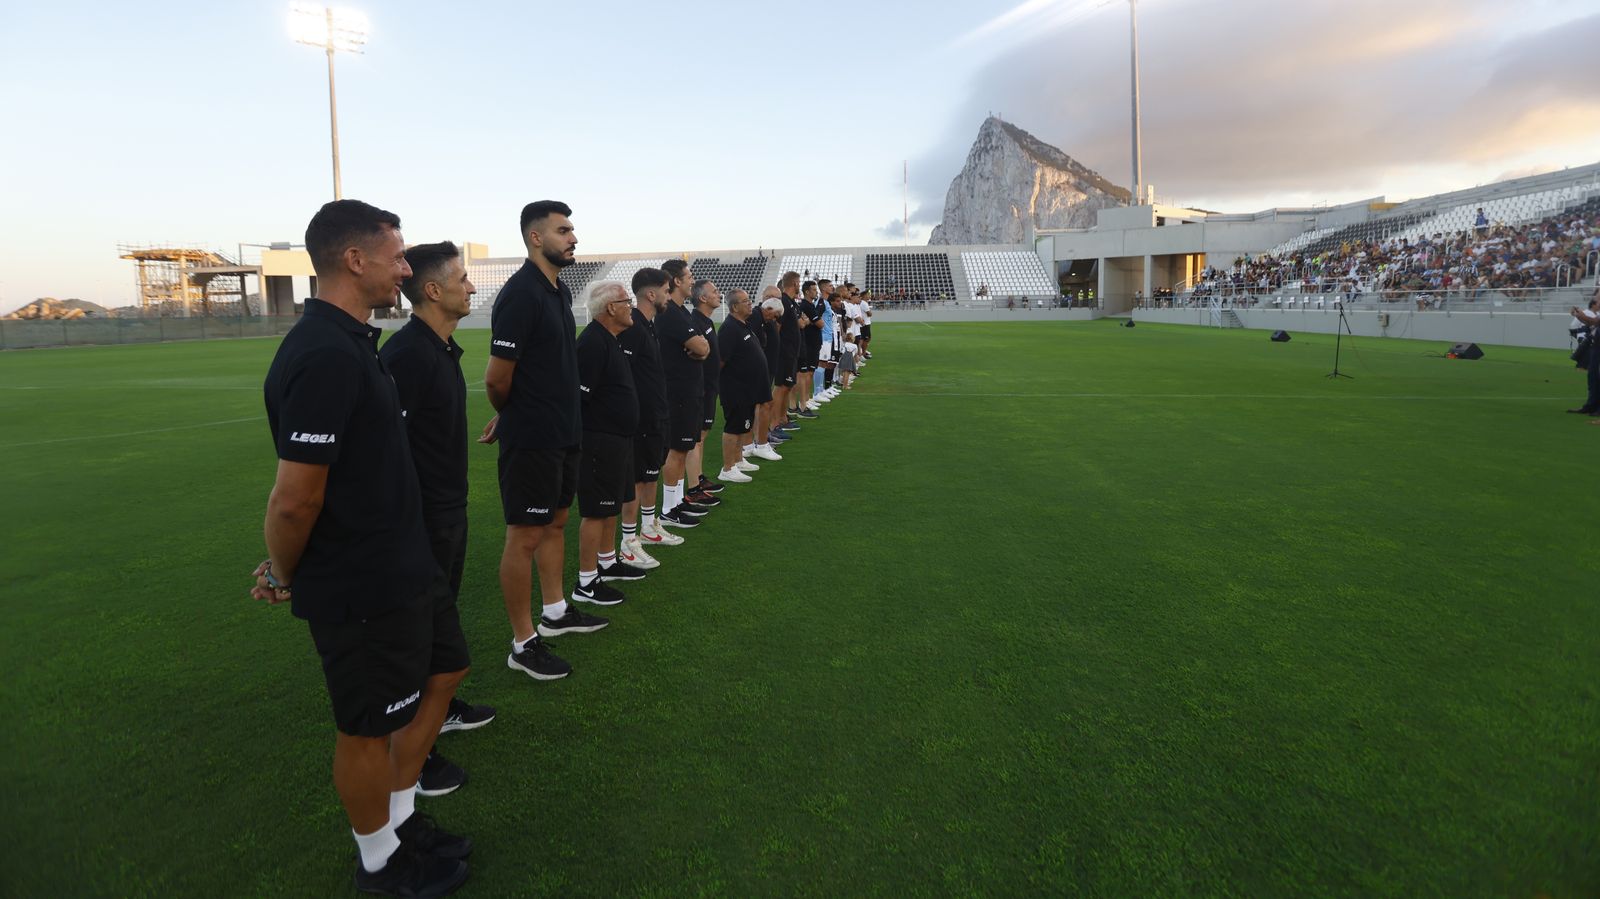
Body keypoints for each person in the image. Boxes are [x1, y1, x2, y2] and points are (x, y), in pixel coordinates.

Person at [254, 199, 470, 897]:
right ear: (355, 259)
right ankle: (379, 860)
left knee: (447, 672)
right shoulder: (320, 354)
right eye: (398, 255)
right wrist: (284, 568)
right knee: (367, 727)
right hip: (361, 583)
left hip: (407, 566)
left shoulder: (352, 343)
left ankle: (399, 823)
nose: (406, 269)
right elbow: (294, 498)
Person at [380, 241, 494, 798]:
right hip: (418, 522)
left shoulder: (442, 350)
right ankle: (411, 756)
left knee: (437, 624)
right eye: (463, 278)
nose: (472, 287)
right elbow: (384, 452)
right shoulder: (407, 356)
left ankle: (438, 713)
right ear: (432, 290)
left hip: (447, 512)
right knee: (413, 637)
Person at [484, 200, 598, 683]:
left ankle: (555, 611)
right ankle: (523, 642)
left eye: (573, 229)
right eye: (563, 230)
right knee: (525, 535)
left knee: (556, 522)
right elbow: (497, 378)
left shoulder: (557, 290)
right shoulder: (521, 295)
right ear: (536, 237)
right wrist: (512, 415)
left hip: (563, 432)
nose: (573, 238)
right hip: (533, 437)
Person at [574, 281, 644, 604]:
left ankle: (607, 561)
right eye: (626, 301)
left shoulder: (612, 339)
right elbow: (579, 398)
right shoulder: (592, 343)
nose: (631, 305)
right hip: (599, 442)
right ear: (611, 308)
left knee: (611, 506)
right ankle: (586, 583)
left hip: (618, 440)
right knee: (595, 511)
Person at [617, 267, 678, 568]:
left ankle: (649, 527)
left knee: (651, 472)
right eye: (667, 290)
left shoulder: (650, 324)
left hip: (656, 414)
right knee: (637, 479)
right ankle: (628, 542)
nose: (669, 295)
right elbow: (623, 374)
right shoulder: (633, 326)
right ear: (651, 294)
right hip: (640, 417)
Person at [655, 259, 711, 529]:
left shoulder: (683, 312)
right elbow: (701, 348)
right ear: (676, 281)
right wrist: (699, 349)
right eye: (689, 276)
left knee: (682, 447)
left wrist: (700, 348)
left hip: (689, 390)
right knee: (676, 450)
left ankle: (676, 502)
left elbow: (703, 346)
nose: (692, 280)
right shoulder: (670, 313)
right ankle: (668, 509)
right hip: (676, 391)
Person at [715, 288, 767, 484]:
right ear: (735, 307)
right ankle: (727, 468)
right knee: (733, 427)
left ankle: (738, 460)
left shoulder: (742, 325)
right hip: (735, 389)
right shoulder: (729, 329)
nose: (750, 303)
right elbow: (720, 361)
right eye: (745, 301)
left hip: (747, 388)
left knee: (742, 426)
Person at [687, 279, 728, 505]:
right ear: (702, 298)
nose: (718, 294)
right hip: (700, 388)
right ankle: (693, 488)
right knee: (696, 438)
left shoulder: (706, 321)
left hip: (710, 387)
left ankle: (699, 478)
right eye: (714, 291)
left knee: (702, 435)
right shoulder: (695, 321)